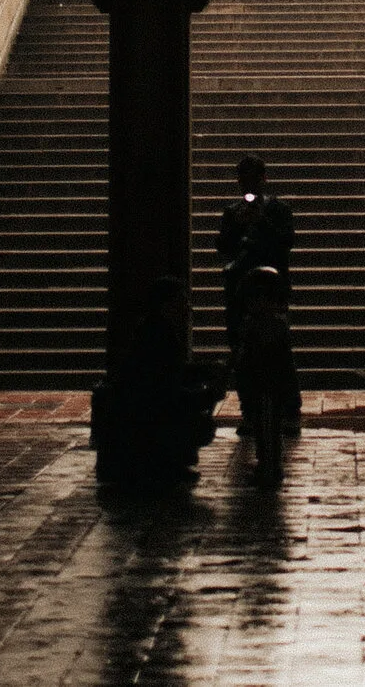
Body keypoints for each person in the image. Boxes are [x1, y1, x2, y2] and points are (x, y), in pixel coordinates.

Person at [109, 274, 217, 488]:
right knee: (197, 422)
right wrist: (204, 396)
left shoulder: (155, 330)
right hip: (148, 412)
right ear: (168, 305)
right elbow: (164, 390)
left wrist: (205, 371)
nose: (187, 309)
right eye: (182, 302)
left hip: (144, 405)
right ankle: (165, 465)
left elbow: (171, 374)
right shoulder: (159, 335)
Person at [217, 154, 295, 379]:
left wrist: (261, 220)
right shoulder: (233, 213)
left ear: (263, 179)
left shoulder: (279, 209)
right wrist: (237, 226)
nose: (248, 186)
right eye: (244, 181)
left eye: (253, 180)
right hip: (243, 287)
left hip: (270, 287)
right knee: (240, 341)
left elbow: (286, 241)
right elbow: (223, 246)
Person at [231, 266, 298, 490]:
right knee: (265, 427)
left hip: (266, 385)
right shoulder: (268, 325)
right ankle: (268, 463)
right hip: (265, 384)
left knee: (268, 427)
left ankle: (269, 465)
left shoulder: (264, 326)